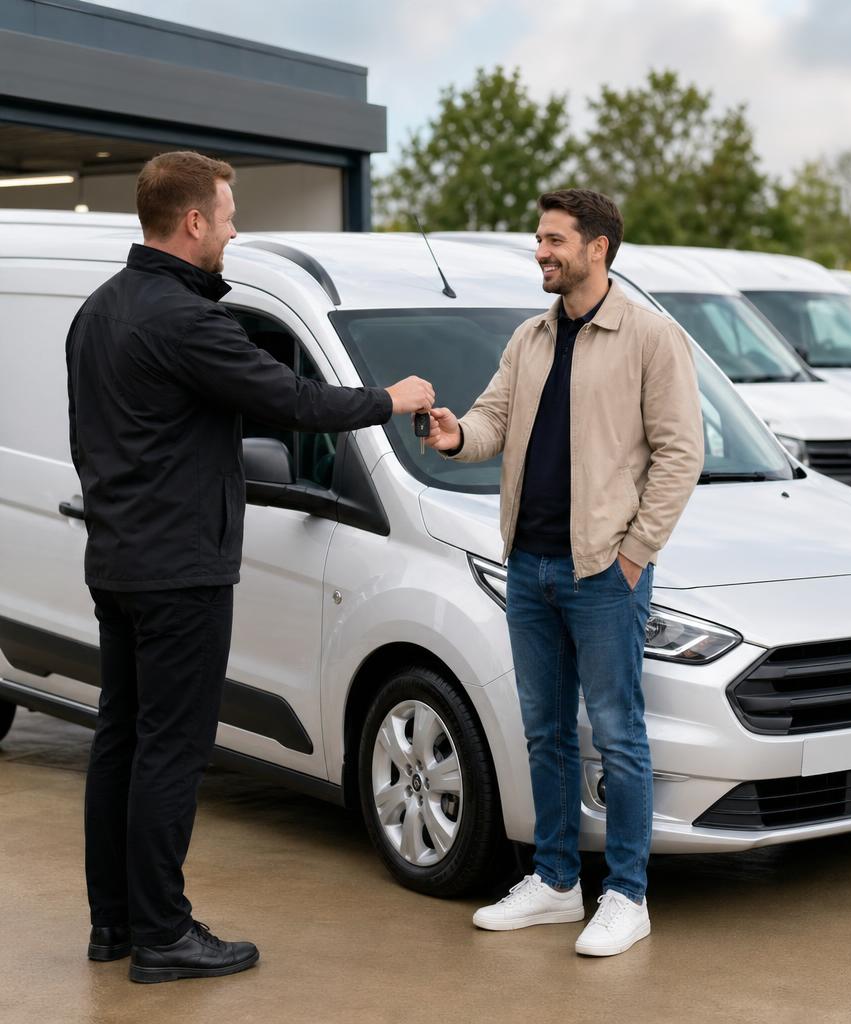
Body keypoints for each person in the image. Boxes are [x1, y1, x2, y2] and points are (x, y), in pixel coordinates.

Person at [67, 150, 434, 983]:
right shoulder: (185, 321)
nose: (235, 230)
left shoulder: (97, 311)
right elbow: (295, 401)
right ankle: (163, 936)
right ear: (193, 221)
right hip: (180, 572)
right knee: (170, 750)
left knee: (120, 741)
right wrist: (394, 399)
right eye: (228, 216)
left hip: (118, 561)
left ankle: (114, 925)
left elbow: (95, 437)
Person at [426, 189, 703, 957]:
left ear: (598, 248)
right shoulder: (530, 339)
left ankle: (627, 895)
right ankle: (552, 883)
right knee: (544, 731)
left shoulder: (651, 337)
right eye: (539, 239)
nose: (541, 252)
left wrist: (634, 554)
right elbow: (492, 421)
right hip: (530, 567)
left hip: (603, 576)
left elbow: (682, 455)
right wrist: (455, 436)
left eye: (554, 240)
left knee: (618, 737)